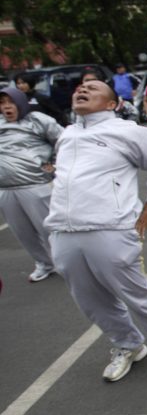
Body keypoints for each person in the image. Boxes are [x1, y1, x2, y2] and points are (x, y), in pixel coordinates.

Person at [44, 79, 147, 381]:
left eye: (93, 89)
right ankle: (127, 344)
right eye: (80, 88)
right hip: (64, 229)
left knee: (135, 291)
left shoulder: (129, 131)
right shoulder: (67, 134)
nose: (82, 91)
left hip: (111, 226)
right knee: (89, 298)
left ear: (112, 104)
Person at [0, 87, 61, 282]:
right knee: (22, 232)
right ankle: (44, 264)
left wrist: (56, 163)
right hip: (6, 188)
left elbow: (63, 141)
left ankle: (64, 262)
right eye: (2, 103)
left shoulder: (38, 120)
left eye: (10, 102)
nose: (6, 107)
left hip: (36, 184)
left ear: (20, 102)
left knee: (48, 228)